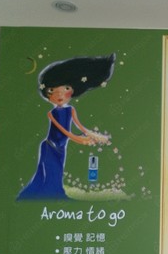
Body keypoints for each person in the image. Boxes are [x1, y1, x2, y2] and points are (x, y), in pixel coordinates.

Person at [17, 54, 115, 200]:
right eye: (52, 90)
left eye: (66, 88)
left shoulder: (71, 110)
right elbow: (62, 130)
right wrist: (77, 139)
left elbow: (80, 126)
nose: (59, 94)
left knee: (57, 171)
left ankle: (52, 193)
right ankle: (47, 194)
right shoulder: (52, 113)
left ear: (73, 90)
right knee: (49, 173)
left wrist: (93, 135)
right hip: (50, 146)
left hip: (61, 148)